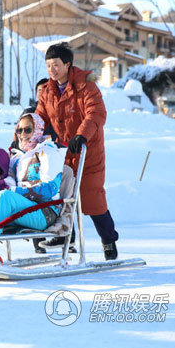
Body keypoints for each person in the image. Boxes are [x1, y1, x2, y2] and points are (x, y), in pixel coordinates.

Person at [35, 42, 119, 260]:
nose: (51, 70)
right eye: (48, 65)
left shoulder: (86, 86)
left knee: (92, 199)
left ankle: (108, 240)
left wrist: (81, 135)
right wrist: (25, 135)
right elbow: (39, 118)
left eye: (55, 65)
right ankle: (66, 236)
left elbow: (97, 113)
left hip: (87, 150)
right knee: (61, 196)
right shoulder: (47, 91)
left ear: (67, 64)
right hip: (63, 153)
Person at [0, 113, 65, 240]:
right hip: (24, 208)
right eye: (19, 130)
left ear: (38, 130)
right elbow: (0, 179)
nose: (22, 135)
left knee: (5, 196)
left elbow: (50, 189)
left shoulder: (48, 153)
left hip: (44, 212)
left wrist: (15, 191)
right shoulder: (17, 157)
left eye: (28, 130)